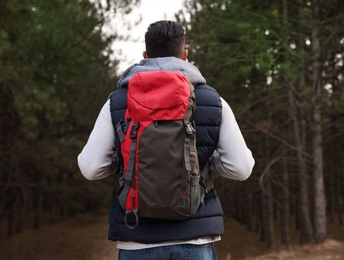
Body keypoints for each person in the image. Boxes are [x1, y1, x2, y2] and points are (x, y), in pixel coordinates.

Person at [78, 20, 254, 260]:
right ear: (185, 55)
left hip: (136, 237)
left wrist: (127, 160)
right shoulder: (213, 101)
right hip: (195, 240)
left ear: (145, 54)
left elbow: (90, 168)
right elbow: (241, 168)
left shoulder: (118, 101)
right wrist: (207, 163)